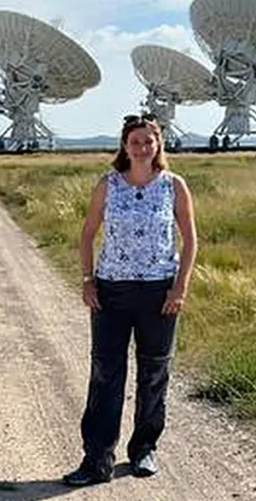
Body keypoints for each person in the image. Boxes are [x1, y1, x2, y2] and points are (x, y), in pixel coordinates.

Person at [62, 113, 198, 486]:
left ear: (158, 145)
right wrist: (88, 280)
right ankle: (97, 460)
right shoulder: (108, 185)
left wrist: (180, 288)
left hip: (159, 293)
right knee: (106, 374)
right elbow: (87, 233)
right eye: (135, 141)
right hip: (111, 292)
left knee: (154, 373)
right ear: (125, 145)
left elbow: (190, 240)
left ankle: (143, 450)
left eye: (148, 141)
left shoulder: (173, 185)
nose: (141, 147)